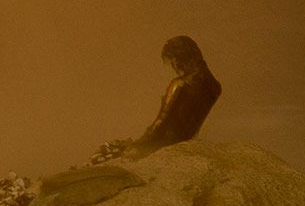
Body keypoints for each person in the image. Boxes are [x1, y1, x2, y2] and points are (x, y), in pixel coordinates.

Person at [89, 35, 221, 164]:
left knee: (108, 152)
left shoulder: (179, 85)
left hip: (163, 143)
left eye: (172, 60)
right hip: (186, 139)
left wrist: (138, 143)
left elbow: (160, 124)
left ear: (180, 58)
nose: (173, 67)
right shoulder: (215, 87)